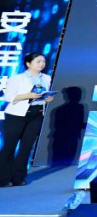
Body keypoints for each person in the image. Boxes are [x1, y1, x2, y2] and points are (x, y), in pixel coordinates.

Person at [0, 52, 54, 187]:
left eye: (43, 61)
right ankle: (3, 178)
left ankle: (18, 177)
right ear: (28, 63)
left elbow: (43, 95)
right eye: (38, 61)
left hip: (36, 115)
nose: (42, 64)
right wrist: (28, 95)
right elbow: (8, 97)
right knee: (9, 147)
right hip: (16, 115)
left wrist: (48, 98)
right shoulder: (17, 78)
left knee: (26, 147)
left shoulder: (46, 78)